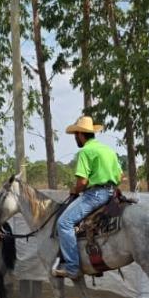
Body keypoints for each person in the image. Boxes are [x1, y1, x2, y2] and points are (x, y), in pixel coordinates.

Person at [53, 116, 122, 279]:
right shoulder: (108, 150)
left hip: (96, 194)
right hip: (112, 193)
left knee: (64, 223)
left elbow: (82, 182)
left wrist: (75, 191)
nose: (75, 138)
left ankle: (72, 267)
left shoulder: (85, 151)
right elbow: (120, 175)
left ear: (81, 135)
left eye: (76, 135)